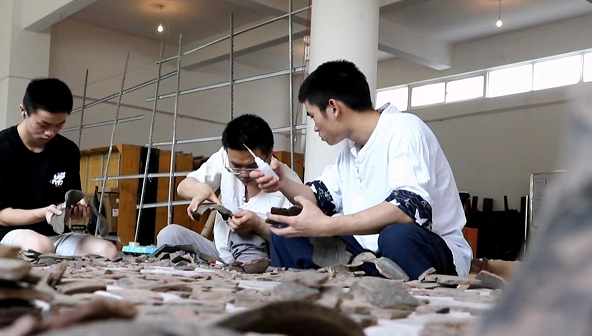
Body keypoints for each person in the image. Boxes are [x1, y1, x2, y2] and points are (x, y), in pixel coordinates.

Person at [259, 60, 471, 279]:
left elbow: (407, 210)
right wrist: (282, 182)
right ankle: (316, 293)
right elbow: (319, 197)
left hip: (426, 248)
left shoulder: (403, 129)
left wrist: (328, 225)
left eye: (313, 116)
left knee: (396, 236)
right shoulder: (349, 150)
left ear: (333, 108)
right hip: (369, 255)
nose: (314, 127)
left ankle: (411, 292)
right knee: (285, 231)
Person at [0, 78, 118, 260]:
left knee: (107, 251)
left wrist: (77, 208)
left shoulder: (68, 150)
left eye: (59, 125)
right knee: (40, 247)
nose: (50, 132)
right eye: (43, 124)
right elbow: (2, 217)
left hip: (56, 235)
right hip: (11, 234)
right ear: (23, 110)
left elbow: (71, 197)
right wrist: (44, 212)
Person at [156, 114, 301, 264]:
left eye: (252, 166)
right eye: (236, 166)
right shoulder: (225, 157)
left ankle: (244, 274)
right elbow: (183, 187)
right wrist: (200, 189)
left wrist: (258, 225)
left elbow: (296, 245)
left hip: (261, 260)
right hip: (219, 255)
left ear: (269, 155)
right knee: (170, 235)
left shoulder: (290, 185)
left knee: (245, 238)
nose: (243, 174)